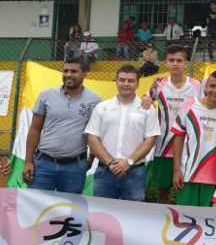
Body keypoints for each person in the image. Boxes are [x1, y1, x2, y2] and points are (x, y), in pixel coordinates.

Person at [23, 60, 101, 193]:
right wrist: (28, 162)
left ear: (84, 74)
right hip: (43, 164)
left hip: (75, 167)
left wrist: (91, 159)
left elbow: (94, 134)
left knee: (70, 209)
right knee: (38, 209)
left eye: (74, 71)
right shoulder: (46, 95)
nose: (68, 74)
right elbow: (35, 129)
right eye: (65, 71)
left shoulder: (95, 100)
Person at [85, 65, 159, 201]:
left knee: (133, 216)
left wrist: (128, 162)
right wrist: (110, 163)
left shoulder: (148, 109)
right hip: (104, 171)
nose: (126, 84)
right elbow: (92, 137)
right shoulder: (102, 107)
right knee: (102, 214)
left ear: (137, 83)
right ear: (116, 81)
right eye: (122, 80)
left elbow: (150, 140)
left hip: (135, 172)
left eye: (130, 81)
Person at [171, 70, 216, 206]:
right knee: (185, 218)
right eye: (212, 86)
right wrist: (176, 169)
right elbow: (178, 138)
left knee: (208, 221)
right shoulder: (189, 106)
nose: (215, 90)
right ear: (205, 87)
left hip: (215, 177)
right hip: (188, 174)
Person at [147, 45, 203, 203]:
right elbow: (146, 101)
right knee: (162, 190)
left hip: (188, 147)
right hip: (163, 147)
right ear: (166, 63)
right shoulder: (159, 85)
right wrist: (147, 98)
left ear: (186, 63)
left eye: (179, 60)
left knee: (184, 191)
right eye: (171, 60)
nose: (175, 64)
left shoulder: (196, 86)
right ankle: (162, 222)